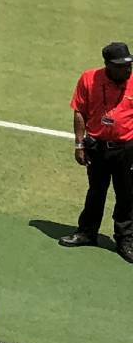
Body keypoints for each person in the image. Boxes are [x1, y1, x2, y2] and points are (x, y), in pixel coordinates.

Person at [63, 40, 133, 257]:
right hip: (98, 147)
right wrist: (79, 143)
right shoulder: (89, 79)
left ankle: (126, 240)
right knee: (96, 191)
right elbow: (79, 111)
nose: (127, 69)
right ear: (108, 65)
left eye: (129, 64)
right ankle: (87, 232)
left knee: (127, 195)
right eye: (121, 65)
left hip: (127, 149)